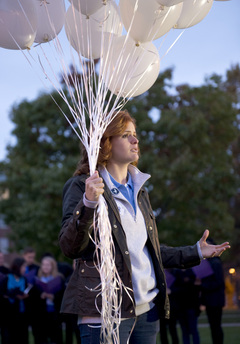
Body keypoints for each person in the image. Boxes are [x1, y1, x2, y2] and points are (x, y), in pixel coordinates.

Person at [59, 110, 230, 344]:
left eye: (135, 134)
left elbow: (148, 253)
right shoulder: (81, 186)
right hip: (104, 313)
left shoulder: (140, 191)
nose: (135, 140)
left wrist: (197, 252)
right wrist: (88, 203)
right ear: (106, 142)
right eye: (126, 135)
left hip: (146, 314)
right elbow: (70, 247)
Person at [32, 256, 65, 344]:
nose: (45, 267)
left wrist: (53, 296)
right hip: (41, 314)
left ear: (52, 266)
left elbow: (62, 295)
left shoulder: (59, 278)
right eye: (43, 265)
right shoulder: (37, 279)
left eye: (48, 265)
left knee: (56, 337)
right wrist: (41, 295)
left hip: (54, 313)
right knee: (42, 338)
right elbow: (33, 297)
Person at [200, 238, 226, 344]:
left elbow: (218, 282)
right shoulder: (208, 262)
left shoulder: (215, 263)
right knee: (214, 326)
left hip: (215, 300)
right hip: (210, 300)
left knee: (215, 326)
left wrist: (202, 284)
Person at [4, 257, 30, 344]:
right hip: (9, 314)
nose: (25, 269)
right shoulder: (6, 278)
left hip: (22, 313)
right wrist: (14, 295)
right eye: (23, 266)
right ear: (18, 267)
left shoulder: (24, 279)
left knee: (22, 337)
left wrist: (25, 296)